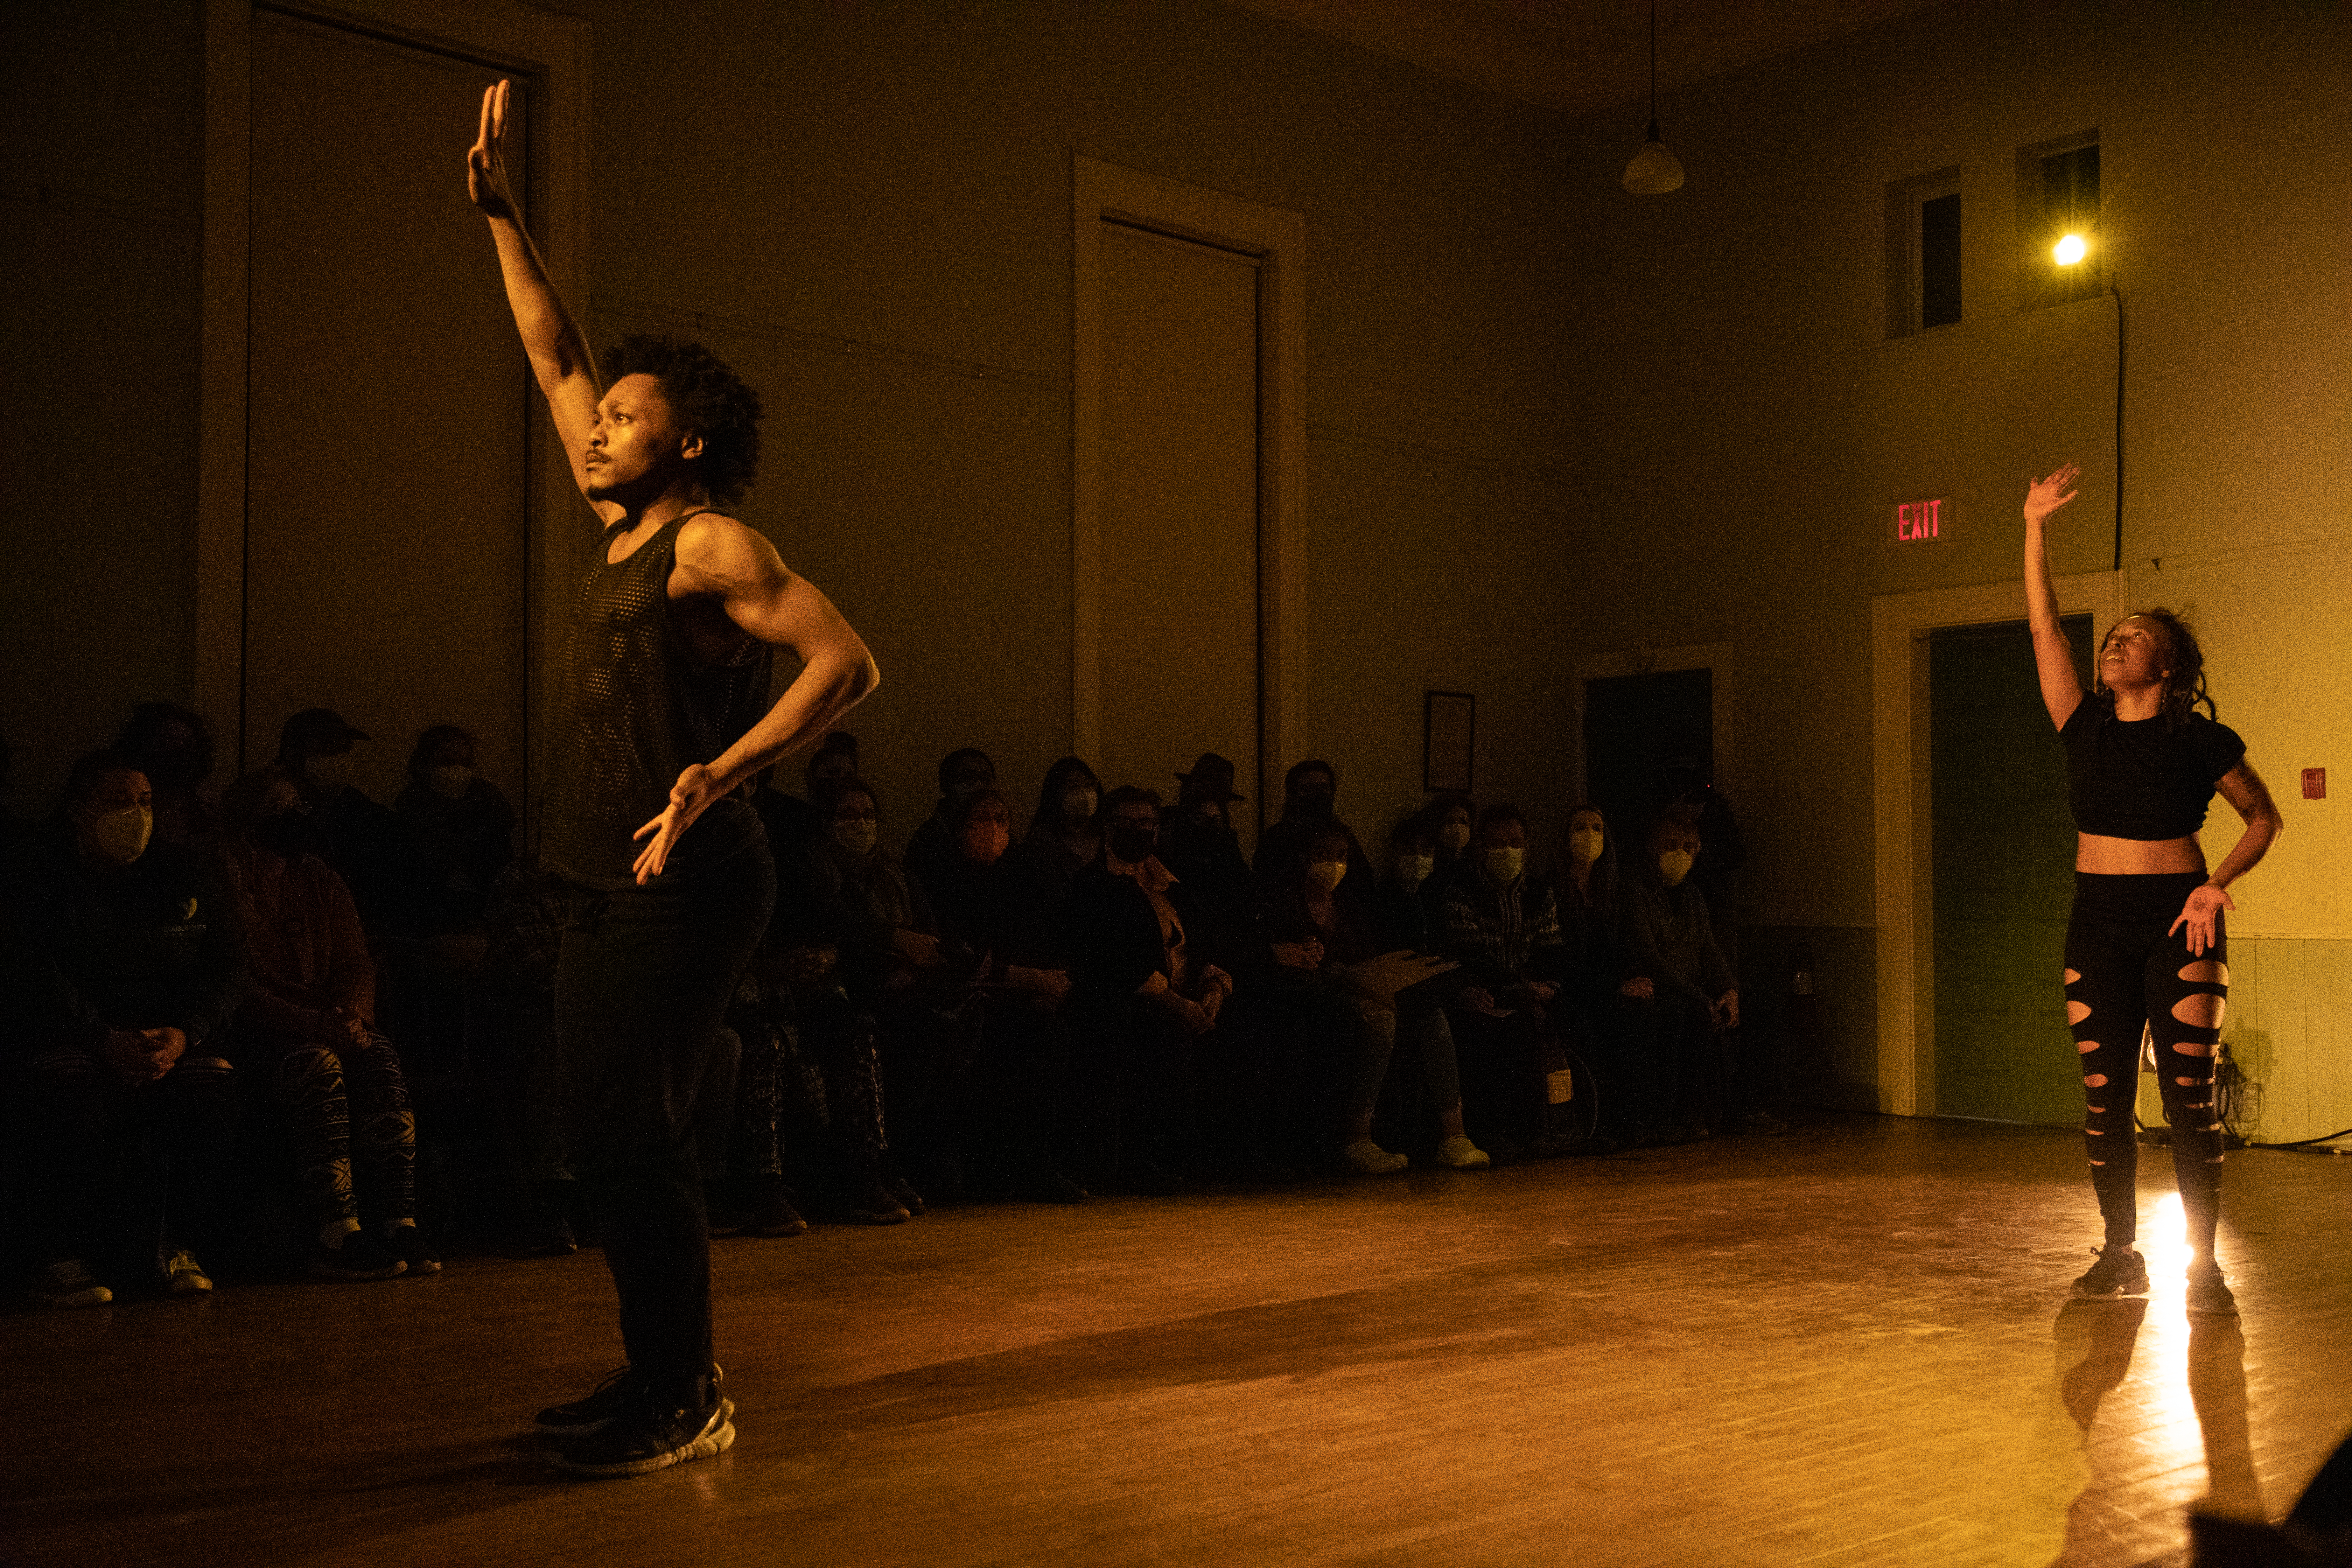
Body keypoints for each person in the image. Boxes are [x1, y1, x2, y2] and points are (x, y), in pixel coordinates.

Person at [467, 80, 878, 1477]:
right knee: (600, 1132)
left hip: (693, 879)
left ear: (685, 443)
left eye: (631, 419)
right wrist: (506, 218)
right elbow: (553, 350)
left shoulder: (709, 546)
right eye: (607, 416)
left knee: (632, 1135)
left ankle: (688, 1391)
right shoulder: (618, 522)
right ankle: (657, 1371)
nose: (600, 427)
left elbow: (847, 664)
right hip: (600, 877)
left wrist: (724, 768)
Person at [2022, 463, 2282, 1315]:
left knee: (2187, 1093)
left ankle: (2203, 1267)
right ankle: (2120, 1251)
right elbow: (2046, 628)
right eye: (2113, 637)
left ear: (2167, 663)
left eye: (2132, 636)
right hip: (2094, 924)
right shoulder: (2081, 722)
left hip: (2179, 925)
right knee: (2103, 1094)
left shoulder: (2200, 740)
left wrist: (2214, 887)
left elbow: (2264, 819)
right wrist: (2036, 529)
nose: (2113, 643)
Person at [1, 752, 245, 1305]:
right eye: (116, 802)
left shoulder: (183, 872)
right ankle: (59, 1254)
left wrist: (185, 1032)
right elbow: (30, 968)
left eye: (144, 802)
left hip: (166, 1036)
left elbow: (226, 964)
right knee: (69, 1095)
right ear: (77, 809)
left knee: (212, 1090)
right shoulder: (36, 872)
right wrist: (101, 1037)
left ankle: (176, 1245)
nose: (134, 814)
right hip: (71, 1035)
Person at [222, 770, 435, 1280]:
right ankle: (336, 1231)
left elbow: (355, 963)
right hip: (266, 1032)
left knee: (379, 1058)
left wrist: (352, 1018)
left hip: (333, 1021)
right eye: (279, 808)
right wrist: (317, 1025)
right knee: (318, 1067)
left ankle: (397, 1220)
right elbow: (240, 989)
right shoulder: (225, 882)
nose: (294, 818)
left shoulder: (320, 880)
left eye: (299, 807)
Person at [921, 785, 1085, 1202]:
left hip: (1019, 997)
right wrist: (1031, 979)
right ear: (960, 828)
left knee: (1054, 1032)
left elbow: (1044, 938)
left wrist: (1048, 983)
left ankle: (1035, 1162)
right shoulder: (943, 878)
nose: (993, 829)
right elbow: (957, 954)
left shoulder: (1023, 877)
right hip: (959, 997)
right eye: (981, 819)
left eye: (1002, 820)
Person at [1064, 787, 1230, 1194]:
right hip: (1130, 999)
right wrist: (1178, 1005)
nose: (1139, 831)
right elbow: (1113, 961)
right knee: (1160, 1034)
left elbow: (1204, 940)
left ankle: (1233, 1155)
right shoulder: (1094, 885)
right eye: (1129, 822)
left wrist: (1213, 989)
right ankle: (1145, 1160)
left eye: (1148, 823)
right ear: (1108, 826)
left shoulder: (1173, 880)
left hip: (1188, 994)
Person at [1438, 804, 1567, 1158]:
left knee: (1550, 1014)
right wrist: (1515, 988)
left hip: (1528, 989)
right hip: (1480, 990)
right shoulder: (1462, 891)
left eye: (1515, 842)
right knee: (1505, 1025)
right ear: (1482, 846)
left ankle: (1551, 1126)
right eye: (1497, 843)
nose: (1507, 851)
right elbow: (1470, 953)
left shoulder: (1540, 893)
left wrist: (1547, 986)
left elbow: (1550, 950)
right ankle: (1497, 1130)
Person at [1617, 806, 1738, 1141]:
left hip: (1689, 987)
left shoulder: (1693, 896)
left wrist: (1729, 989)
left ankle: (1728, 1113)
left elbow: (1709, 949)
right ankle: (1668, 1115)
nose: (1679, 855)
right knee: (1685, 1013)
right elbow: (1650, 956)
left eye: (1688, 848)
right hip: (1660, 986)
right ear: (1651, 847)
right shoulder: (1635, 890)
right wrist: (1701, 997)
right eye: (1670, 845)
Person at [275, 707, 419, 937]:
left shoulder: (369, 817)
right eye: (327, 749)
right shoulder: (267, 811)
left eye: (344, 750)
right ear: (293, 755)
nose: (338, 759)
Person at [395, 724, 516, 937]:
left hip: (489, 910)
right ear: (425, 766)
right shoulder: (412, 807)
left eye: (465, 763)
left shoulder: (487, 799)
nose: (458, 770)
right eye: (447, 763)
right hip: (433, 917)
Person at [114, 701, 221, 853]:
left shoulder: (206, 815)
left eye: (187, 742)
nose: (180, 750)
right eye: (169, 741)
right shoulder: (125, 812)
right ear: (144, 746)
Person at [1253, 760, 1373, 891]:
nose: (1317, 795)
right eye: (1308, 789)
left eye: (1324, 788)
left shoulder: (1343, 836)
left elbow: (1364, 883)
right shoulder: (1274, 841)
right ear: (1293, 795)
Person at [1006, 757, 1104, 912]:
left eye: (1089, 785)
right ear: (1056, 794)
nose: (1084, 794)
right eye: (1073, 787)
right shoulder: (1040, 845)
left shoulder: (1108, 839)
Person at [904, 748, 995, 899]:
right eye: (968, 777)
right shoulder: (928, 842)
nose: (979, 785)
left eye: (986, 778)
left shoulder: (1000, 830)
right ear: (947, 786)